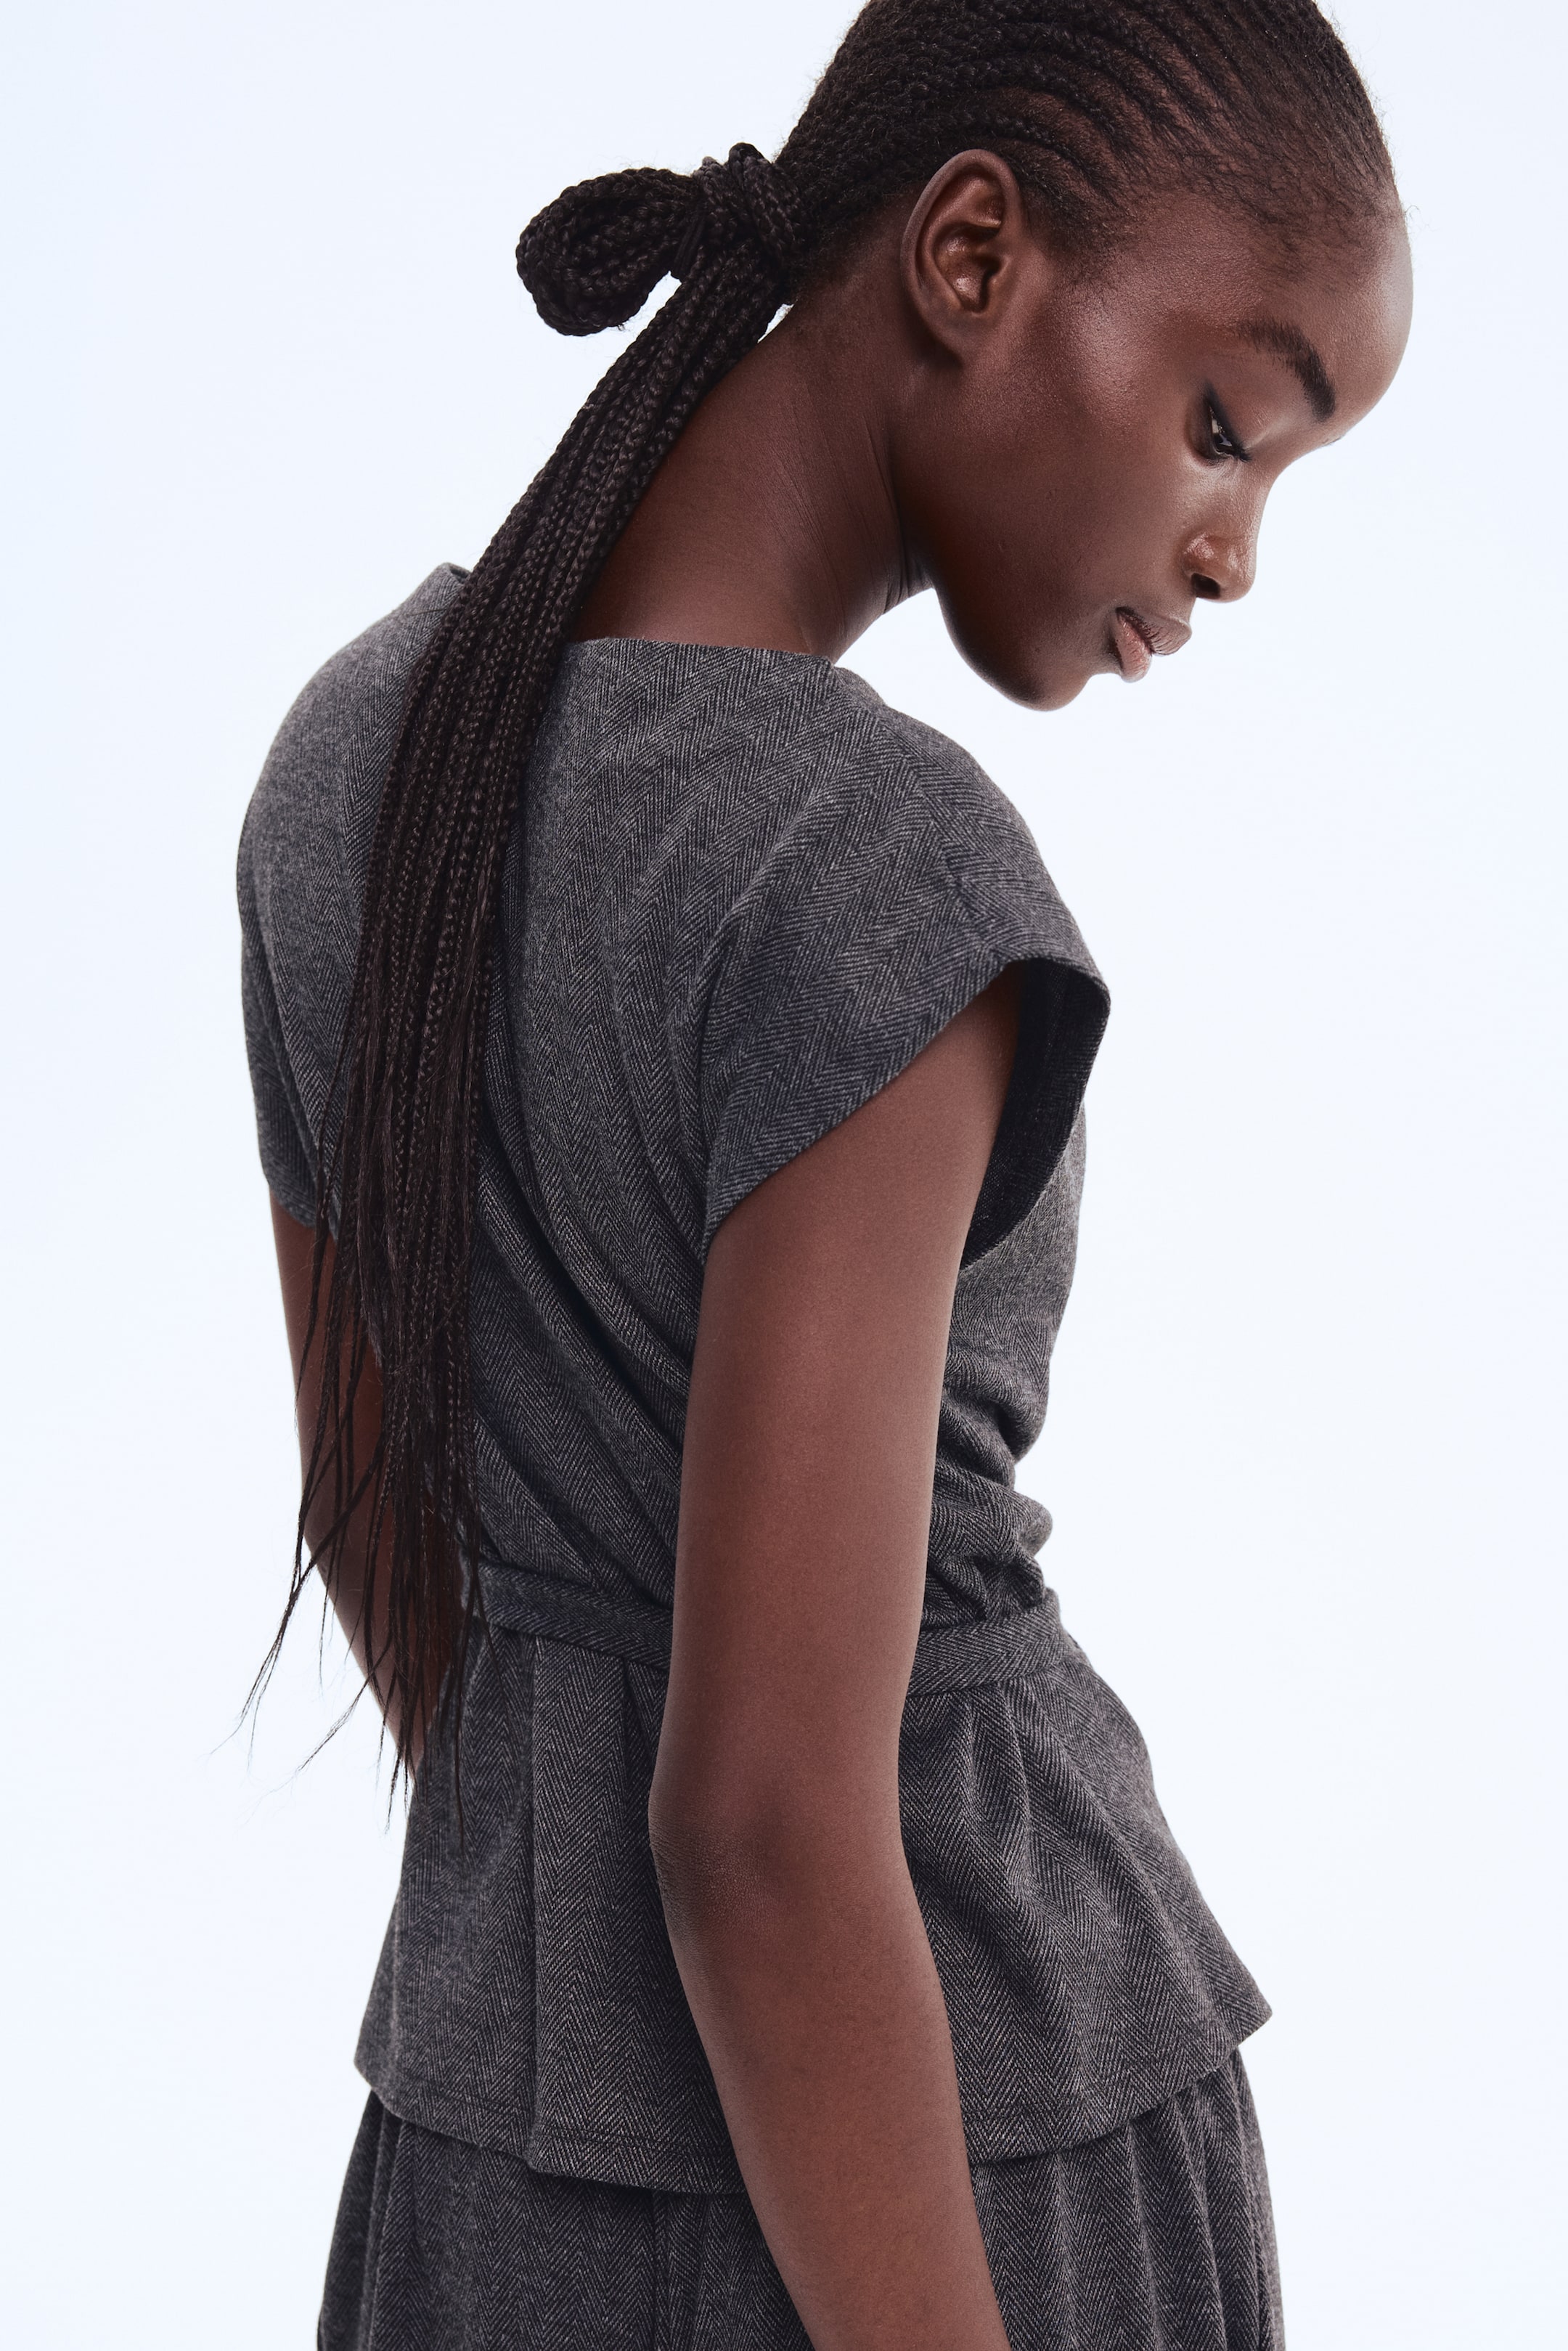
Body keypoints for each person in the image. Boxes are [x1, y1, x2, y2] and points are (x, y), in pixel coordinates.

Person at [237, 2, 1411, 2343]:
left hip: (500, 2150)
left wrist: (565, 1952)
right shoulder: (873, 872)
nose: (1235, 551)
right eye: (1227, 425)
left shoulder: (352, 759)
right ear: (970, 255)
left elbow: (390, 1521)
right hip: (967, 2170)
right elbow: (764, 1829)